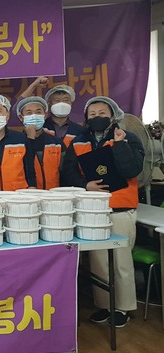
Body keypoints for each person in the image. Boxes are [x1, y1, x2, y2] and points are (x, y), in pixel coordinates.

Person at [61, 96, 144, 327]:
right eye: (92, 114)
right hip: (92, 210)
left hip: (120, 208)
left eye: (102, 113)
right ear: (86, 118)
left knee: (121, 261)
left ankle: (123, 308)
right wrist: (85, 185)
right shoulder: (78, 141)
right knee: (99, 262)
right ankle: (105, 305)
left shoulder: (128, 138)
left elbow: (132, 169)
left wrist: (119, 144)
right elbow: (68, 172)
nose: (97, 117)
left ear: (113, 115)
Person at [21, 78, 86, 147]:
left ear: (71, 103)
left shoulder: (80, 130)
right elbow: (18, 106)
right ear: (49, 104)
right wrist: (33, 85)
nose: (61, 104)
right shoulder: (39, 127)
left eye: (66, 100)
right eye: (57, 100)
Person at [15, 96, 64, 190]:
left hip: (54, 194)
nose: (34, 116)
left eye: (38, 112)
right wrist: (30, 138)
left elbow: (65, 171)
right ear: (21, 117)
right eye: (29, 113)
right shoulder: (16, 143)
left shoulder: (56, 143)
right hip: (26, 194)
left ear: (45, 115)